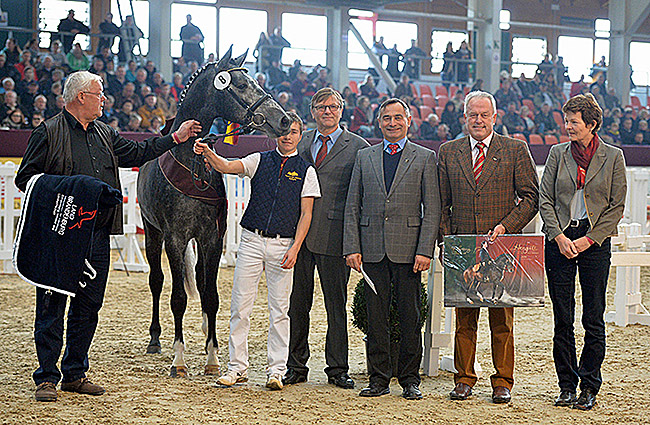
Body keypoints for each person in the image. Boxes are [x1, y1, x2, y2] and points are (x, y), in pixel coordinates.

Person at [14, 70, 201, 402]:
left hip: (96, 233)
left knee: (89, 304)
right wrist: (74, 188)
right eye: (99, 94)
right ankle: (46, 377)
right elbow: (26, 179)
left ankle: (74, 373)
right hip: (61, 235)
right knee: (52, 305)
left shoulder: (105, 132)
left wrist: (175, 137)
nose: (104, 99)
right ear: (80, 97)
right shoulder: (48, 132)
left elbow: (139, 152)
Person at [194, 111, 320, 391]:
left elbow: (306, 214)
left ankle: (276, 370)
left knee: (280, 311)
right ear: (275, 134)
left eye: (293, 132)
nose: (287, 137)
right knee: (240, 307)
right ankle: (236, 368)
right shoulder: (258, 160)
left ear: (301, 136)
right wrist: (207, 152)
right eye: (283, 131)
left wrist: (296, 248)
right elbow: (226, 166)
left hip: (284, 245)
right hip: (251, 240)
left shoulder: (307, 171)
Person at [438, 91, 539, 404]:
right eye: (473, 115)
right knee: (464, 319)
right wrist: (448, 242)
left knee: (502, 321)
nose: (478, 120)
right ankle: (464, 378)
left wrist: (507, 226)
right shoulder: (448, 151)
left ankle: (502, 381)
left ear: (495, 117)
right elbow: (441, 203)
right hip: (463, 247)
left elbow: (531, 198)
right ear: (464, 117)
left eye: (484, 115)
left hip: (501, 245)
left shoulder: (515, 149)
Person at [343, 97, 440, 400]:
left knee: (411, 317)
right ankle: (378, 379)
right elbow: (352, 205)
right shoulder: (364, 157)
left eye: (398, 117)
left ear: (409, 121)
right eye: (387, 117)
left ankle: (410, 379)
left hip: (410, 252)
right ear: (379, 122)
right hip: (371, 249)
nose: (392, 123)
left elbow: (432, 209)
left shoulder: (425, 157)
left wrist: (425, 250)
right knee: (375, 317)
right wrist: (352, 246)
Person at [539, 93, 626, 410]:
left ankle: (589, 385)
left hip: (595, 243)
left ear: (592, 124)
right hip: (559, 241)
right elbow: (545, 199)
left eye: (574, 122)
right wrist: (559, 237)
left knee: (593, 317)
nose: (568, 127)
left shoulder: (613, 157)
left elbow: (616, 207)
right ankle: (566, 385)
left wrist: (589, 240)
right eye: (566, 121)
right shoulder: (557, 153)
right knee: (562, 318)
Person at [284, 88, 369, 389]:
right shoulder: (301, 141)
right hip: (299, 237)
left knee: (336, 306)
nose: (327, 111)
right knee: (297, 305)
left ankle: (337, 369)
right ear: (313, 111)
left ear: (341, 110)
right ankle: (296, 366)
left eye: (332, 106)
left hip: (335, 238)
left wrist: (355, 242)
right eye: (321, 107)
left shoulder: (358, 147)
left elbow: (361, 198)